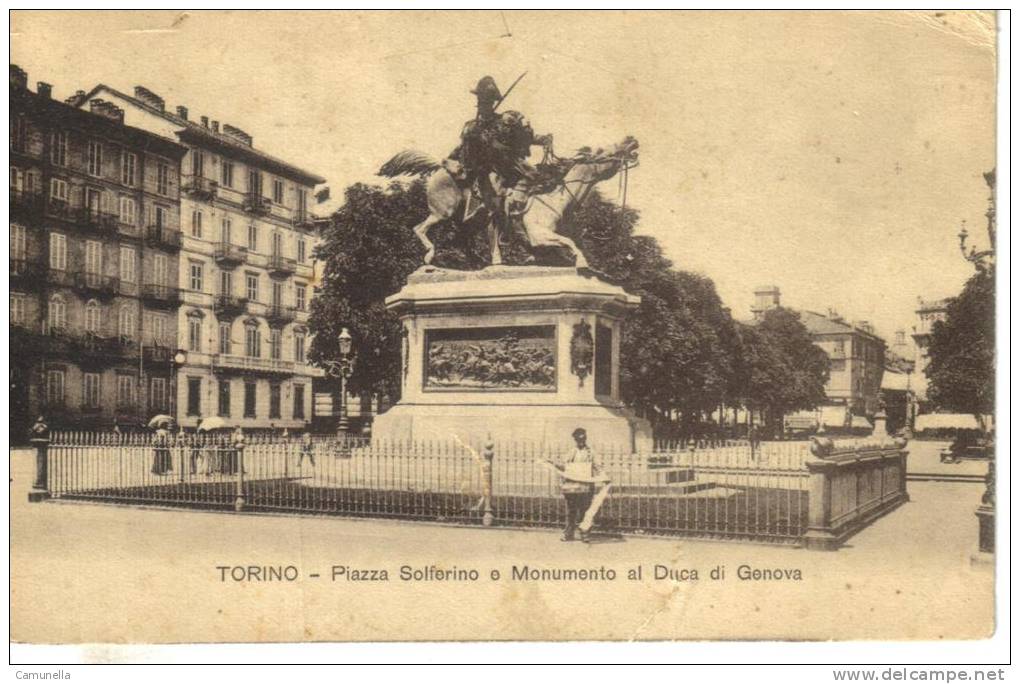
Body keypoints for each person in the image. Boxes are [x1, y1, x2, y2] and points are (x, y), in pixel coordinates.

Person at [553, 427, 597, 543]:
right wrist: (555, 464)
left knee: (585, 511)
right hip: (572, 485)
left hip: (586, 486)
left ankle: (585, 534)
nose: (581, 441)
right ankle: (568, 534)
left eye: (583, 438)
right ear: (575, 439)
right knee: (571, 511)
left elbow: (597, 466)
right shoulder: (572, 452)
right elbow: (564, 465)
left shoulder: (591, 452)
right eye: (579, 439)